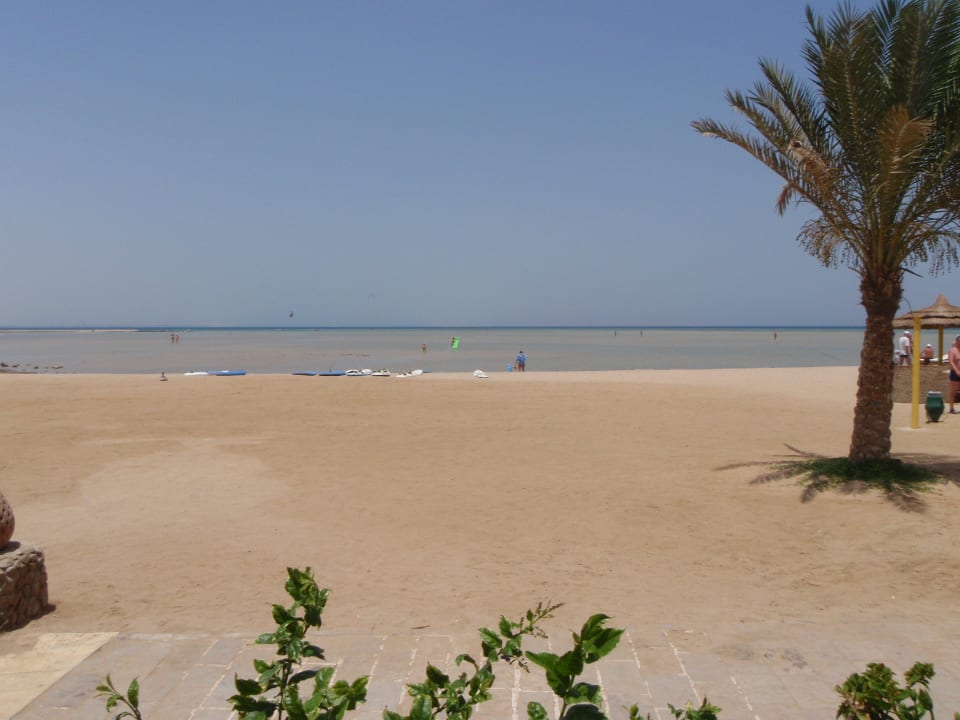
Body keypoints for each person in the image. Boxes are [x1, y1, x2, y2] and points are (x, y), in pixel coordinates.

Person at [949, 336, 960, 414]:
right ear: (957, 341)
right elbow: (951, 361)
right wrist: (956, 370)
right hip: (955, 372)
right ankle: (951, 408)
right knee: (954, 391)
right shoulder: (953, 350)